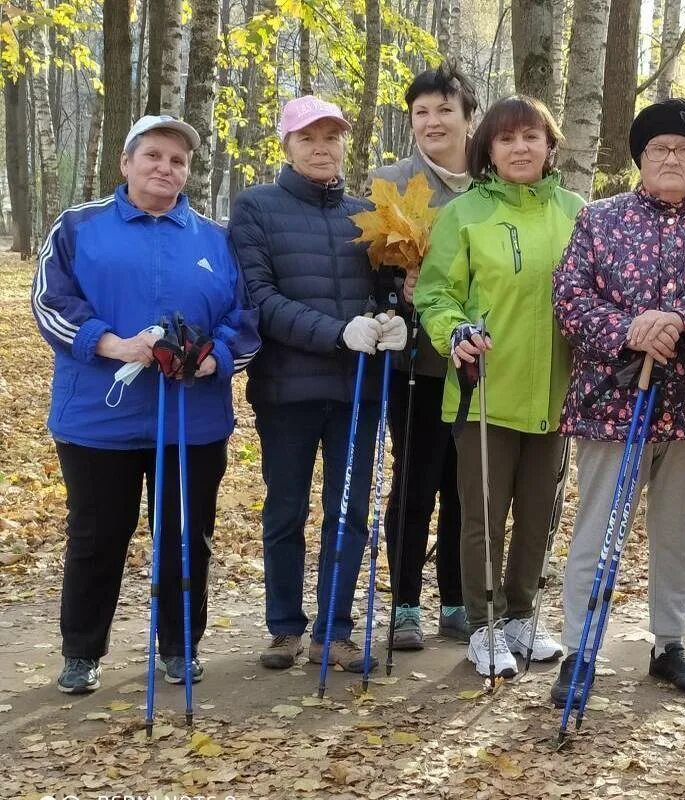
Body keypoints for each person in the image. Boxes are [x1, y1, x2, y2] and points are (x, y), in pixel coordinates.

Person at [33, 115, 261, 693]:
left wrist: (214, 358)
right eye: (154, 156)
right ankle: (82, 651)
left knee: (186, 536)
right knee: (96, 536)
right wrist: (113, 343)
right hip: (98, 419)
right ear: (126, 163)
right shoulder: (78, 227)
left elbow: (245, 321)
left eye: (178, 161)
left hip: (191, 419)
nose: (166, 168)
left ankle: (180, 646)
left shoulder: (214, 238)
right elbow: (52, 303)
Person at [549, 98, 685, 707]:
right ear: (640, 158)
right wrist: (630, 329)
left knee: (678, 532)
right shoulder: (598, 220)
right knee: (597, 531)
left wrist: (678, 323)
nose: (671, 158)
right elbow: (569, 299)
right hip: (609, 406)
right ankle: (580, 648)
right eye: (658, 149)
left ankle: (670, 642)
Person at [231, 96, 408, 673]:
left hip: (359, 390)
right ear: (286, 145)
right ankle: (284, 626)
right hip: (288, 389)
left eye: (331, 137)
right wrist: (338, 333)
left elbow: (384, 290)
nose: (321, 147)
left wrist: (393, 318)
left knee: (349, 511)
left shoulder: (370, 213)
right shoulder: (257, 208)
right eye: (308, 137)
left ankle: (333, 629)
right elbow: (260, 298)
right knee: (285, 510)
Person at [414, 95, 585, 679]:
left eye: (531, 137)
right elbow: (435, 295)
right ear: (488, 148)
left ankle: (522, 617)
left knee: (540, 515)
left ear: (549, 146)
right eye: (507, 139)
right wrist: (451, 331)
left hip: (556, 397)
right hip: (484, 392)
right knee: (482, 516)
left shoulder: (576, 211)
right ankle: (483, 626)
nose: (520, 148)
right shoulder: (465, 214)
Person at [372, 63, 478, 649]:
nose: (433, 122)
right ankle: (406, 604)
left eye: (444, 110)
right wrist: (397, 290)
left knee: (467, 488)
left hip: (480, 363)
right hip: (415, 366)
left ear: (468, 118)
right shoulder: (389, 183)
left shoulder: (493, 181)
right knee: (415, 482)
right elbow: (363, 269)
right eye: (421, 113)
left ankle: (458, 600)